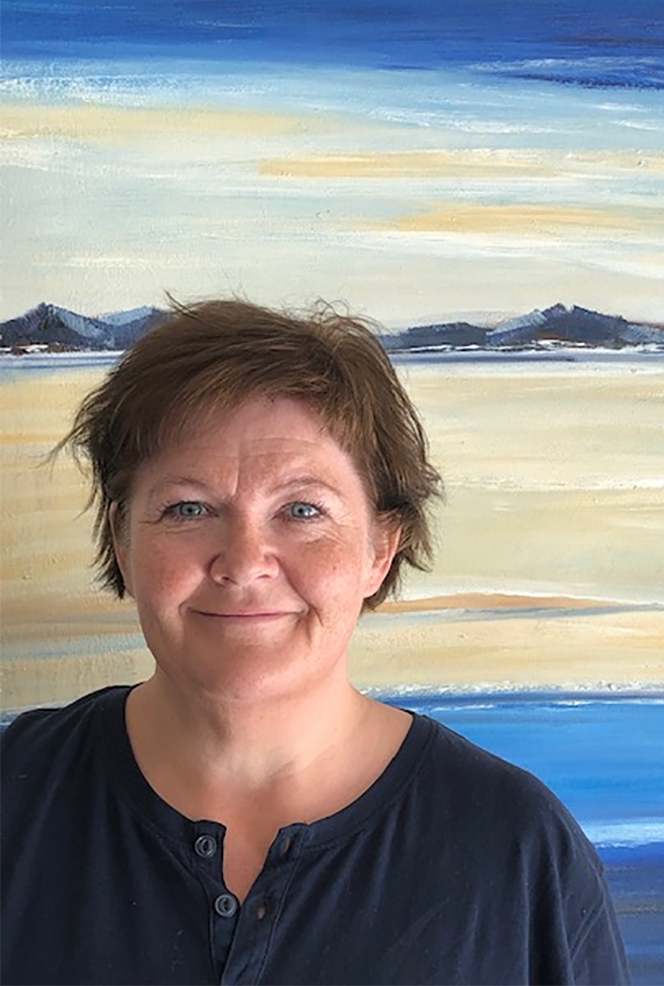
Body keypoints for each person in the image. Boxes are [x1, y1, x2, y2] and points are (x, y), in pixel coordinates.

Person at [0, 298, 630, 985]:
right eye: (189, 508)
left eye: (302, 510)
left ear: (380, 549)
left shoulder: (517, 851)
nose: (244, 563)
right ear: (122, 540)